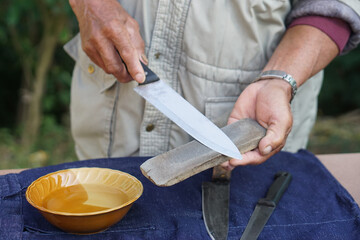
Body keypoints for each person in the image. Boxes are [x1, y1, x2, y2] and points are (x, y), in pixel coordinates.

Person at [65, 0, 360, 169]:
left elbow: (335, 7)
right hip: (110, 121)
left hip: (248, 128)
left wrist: (279, 80)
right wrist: (92, 5)